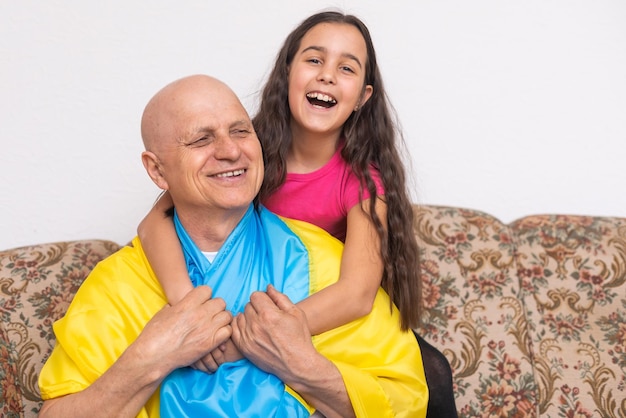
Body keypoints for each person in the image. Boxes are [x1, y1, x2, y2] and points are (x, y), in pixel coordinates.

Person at [38, 74, 428, 417]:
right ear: (158, 170)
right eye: (202, 139)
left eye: (240, 131)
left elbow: (408, 401)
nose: (230, 150)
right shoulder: (118, 285)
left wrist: (303, 366)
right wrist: (149, 358)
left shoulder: (322, 261)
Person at [138, 10, 457, 416]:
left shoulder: (363, 180)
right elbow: (154, 224)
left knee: (433, 371)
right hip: (241, 300)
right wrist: (191, 313)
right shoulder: (241, 148)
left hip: (317, 317)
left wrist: (247, 337)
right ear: (287, 73)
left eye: (346, 68)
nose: (327, 75)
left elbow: (356, 294)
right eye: (314, 59)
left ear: (362, 97)